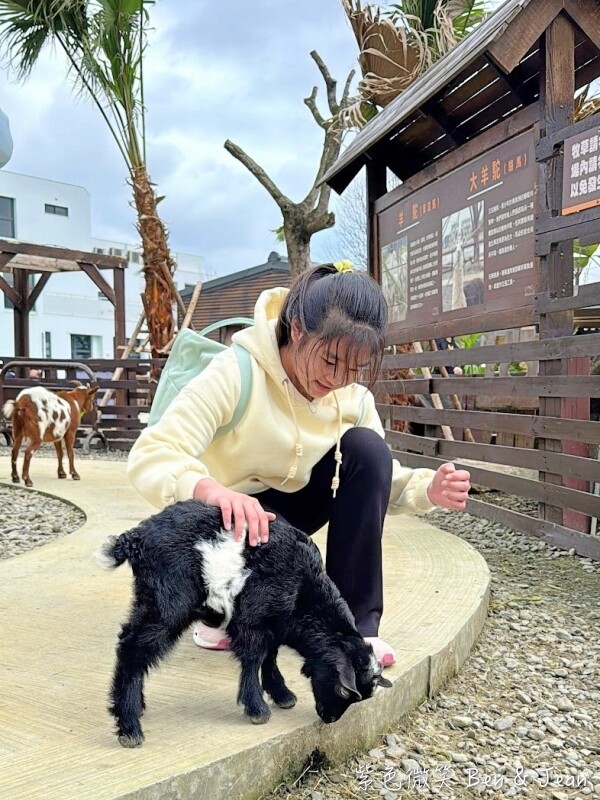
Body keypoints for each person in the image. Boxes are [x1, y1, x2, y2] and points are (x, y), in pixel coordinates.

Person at [127, 263, 471, 667]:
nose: (341, 378)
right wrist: (211, 491)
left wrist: (427, 489)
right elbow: (152, 452)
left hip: (281, 520)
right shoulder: (237, 372)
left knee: (367, 450)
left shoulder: (352, 398)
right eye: (330, 361)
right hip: (220, 524)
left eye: (355, 367)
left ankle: (352, 631)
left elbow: (378, 480)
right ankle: (218, 605)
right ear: (296, 329)